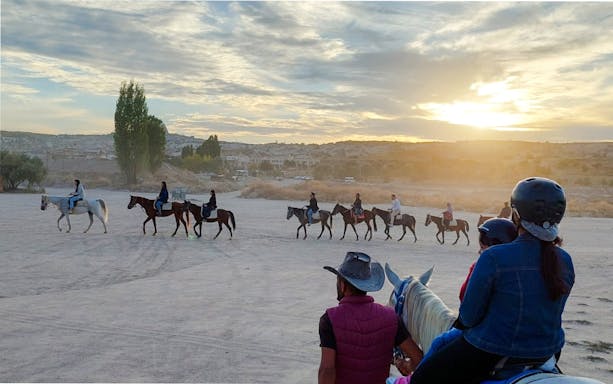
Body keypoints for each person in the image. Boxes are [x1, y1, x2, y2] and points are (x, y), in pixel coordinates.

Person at [410, 177, 574, 384]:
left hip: (492, 350)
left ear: (515, 214)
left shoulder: (494, 256)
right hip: (547, 350)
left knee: (422, 378)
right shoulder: (565, 259)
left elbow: (469, 317)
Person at [389, 218, 518, 384]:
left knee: (437, 348)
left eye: (482, 248)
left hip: (486, 335)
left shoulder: (484, 265)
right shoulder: (525, 267)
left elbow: (468, 310)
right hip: (522, 338)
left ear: (490, 246)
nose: (479, 252)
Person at [319, 251, 423, 384]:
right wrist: (407, 365)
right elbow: (419, 358)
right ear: (366, 285)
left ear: (342, 285)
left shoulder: (329, 319)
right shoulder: (391, 317)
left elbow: (327, 370)